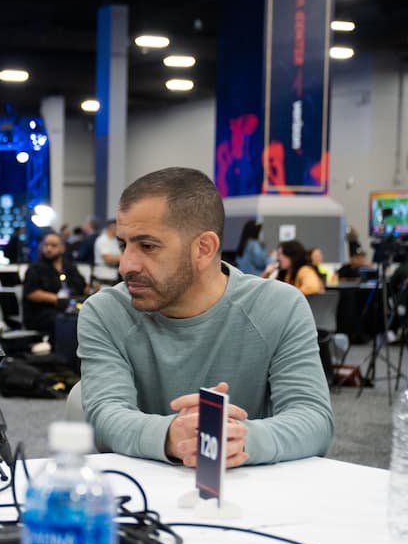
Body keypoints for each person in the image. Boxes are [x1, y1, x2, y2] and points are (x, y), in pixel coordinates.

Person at [77, 166, 333, 468]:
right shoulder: (104, 313)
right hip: (142, 498)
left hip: (256, 497)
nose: (125, 265)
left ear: (204, 248)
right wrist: (173, 436)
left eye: (147, 246)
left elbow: (314, 419)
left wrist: (239, 439)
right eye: (123, 245)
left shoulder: (280, 306)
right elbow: (105, 416)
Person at [22, 231, 86, 338]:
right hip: (41, 313)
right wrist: (57, 299)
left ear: (62, 248)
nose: (49, 249)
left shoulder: (69, 267)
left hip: (69, 308)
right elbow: (31, 293)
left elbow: (82, 286)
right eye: (46, 245)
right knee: (64, 321)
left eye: (53, 245)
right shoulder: (35, 268)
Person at [92, 218, 120, 284]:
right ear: (111, 227)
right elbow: (107, 258)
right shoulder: (102, 240)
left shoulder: (115, 240)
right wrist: (124, 257)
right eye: (117, 227)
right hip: (103, 276)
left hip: (114, 275)